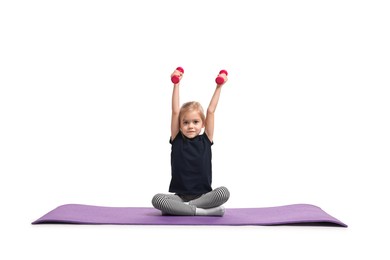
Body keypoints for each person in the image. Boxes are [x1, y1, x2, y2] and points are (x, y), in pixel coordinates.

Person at [151, 68, 230, 216]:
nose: (191, 126)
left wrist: (219, 86)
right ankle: (202, 212)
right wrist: (176, 84)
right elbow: (175, 111)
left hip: (204, 197)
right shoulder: (177, 139)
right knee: (157, 200)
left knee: (223, 193)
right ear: (180, 125)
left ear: (203, 123)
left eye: (195, 122)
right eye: (186, 122)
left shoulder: (206, 139)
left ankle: (186, 209)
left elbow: (211, 111)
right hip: (179, 197)